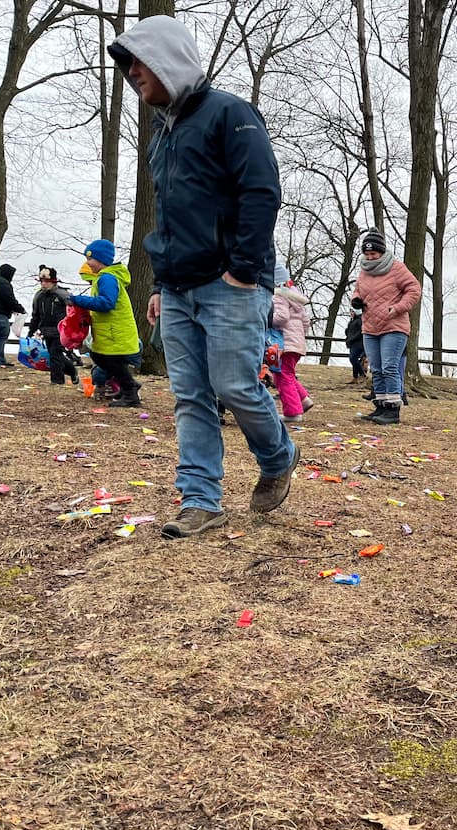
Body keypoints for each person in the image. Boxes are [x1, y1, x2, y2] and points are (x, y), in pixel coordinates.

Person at [110, 15, 300, 539]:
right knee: (191, 396)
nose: (132, 76)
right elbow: (169, 214)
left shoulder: (229, 113)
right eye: (126, 69)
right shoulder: (159, 130)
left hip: (230, 282)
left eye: (138, 64)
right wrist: (156, 284)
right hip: (176, 287)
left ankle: (280, 454)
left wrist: (243, 270)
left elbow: (261, 192)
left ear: (166, 56)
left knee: (234, 384)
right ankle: (201, 499)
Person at [351, 229, 421, 426]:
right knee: (377, 368)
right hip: (370, 326)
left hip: (393, 325)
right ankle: (380, 405)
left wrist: (398, 308)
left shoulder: (397, 268)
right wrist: (356, 300)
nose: (371, 257)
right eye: (367, 254)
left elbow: (414, 290)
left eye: (374, 254)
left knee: (390, 367)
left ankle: (393, 409)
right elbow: (358, 291)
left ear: (382, 252)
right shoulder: (364, 272)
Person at [70, 242, 142, 406]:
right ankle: (128, 386)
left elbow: (106, 303)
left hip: (115, 331)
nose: (88, 263)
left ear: (101, 259)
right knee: (99, 356)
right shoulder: (104, 278)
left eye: (90, 259)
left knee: (112, 361)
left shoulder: (108, 278)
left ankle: (131, 394)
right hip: (109, 331)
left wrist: (78, 300)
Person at [271, 264, 312, 423]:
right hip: (296, 343)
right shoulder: (296, 299)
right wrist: (300, 338)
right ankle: (303, 399)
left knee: (283, 375)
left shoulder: (279, 296)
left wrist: (267, 320)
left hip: (285, 342)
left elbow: (281, 317)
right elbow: (306, 322)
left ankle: (293, 412)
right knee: (283, 374)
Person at [27, 267, 79, 386]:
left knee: (55, 354)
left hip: (60, 331)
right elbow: (36, 315)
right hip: (46, 330)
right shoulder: (39, 296)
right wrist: (31, 330)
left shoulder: (63, 295)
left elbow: (73, 312)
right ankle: (72, 370)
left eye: (47, 281)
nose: (44, 284)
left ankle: (57, 380)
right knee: (55, 355)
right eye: (42, 281)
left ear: (53, 281)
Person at [345, 307, 367, 382]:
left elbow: (360, 332)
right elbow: (349, 332)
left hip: (358, 343)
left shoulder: (359, 321)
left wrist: (352, 338)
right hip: (352, 343)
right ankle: (355, 377)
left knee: (353, 358)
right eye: (350, 311)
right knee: (354, 359)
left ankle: (362, 374)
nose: (351, 313)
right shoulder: (351, 322)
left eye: (352, 311)